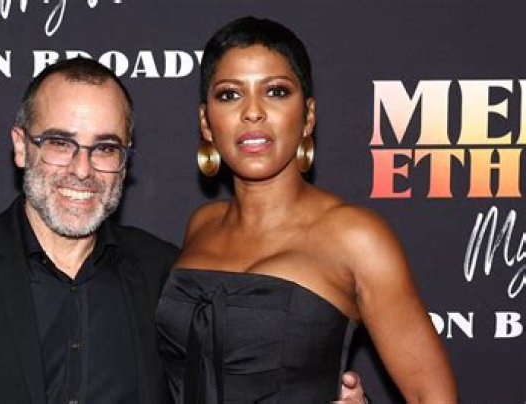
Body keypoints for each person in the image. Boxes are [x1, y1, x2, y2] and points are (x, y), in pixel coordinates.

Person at [0, 58, 367, 403]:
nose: (82, 169)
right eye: (60, 143)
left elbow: (235, 385)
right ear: (22, 146)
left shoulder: (168, 276)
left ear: (126, 161)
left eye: (105, 148)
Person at [155, 17, 458, 403]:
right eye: (230, 95)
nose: (253, 112)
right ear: (206, 123)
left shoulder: (356, 237)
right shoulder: (202, 224)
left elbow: (433, 396)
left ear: (308, 115)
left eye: (276, 91)